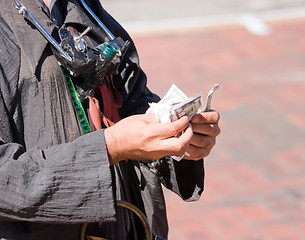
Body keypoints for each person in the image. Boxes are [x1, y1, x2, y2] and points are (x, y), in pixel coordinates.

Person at [0, 0, 220, 239]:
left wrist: (177, 137)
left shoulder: (81, 6)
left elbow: (134, 98)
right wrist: (109, 147)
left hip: (128, 225)